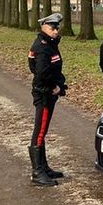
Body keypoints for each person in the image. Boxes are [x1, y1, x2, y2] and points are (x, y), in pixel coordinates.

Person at [28, 12, 67, 187]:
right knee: (40, 131)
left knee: (42, 130)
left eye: (57, 28)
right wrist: (54, 87)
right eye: (52, 27)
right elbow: (41, 73)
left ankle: (43, 167)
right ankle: (37, 172)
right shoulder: (43, 47)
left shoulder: (49, 44)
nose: (55, 31)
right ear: (43, 27)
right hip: (45, 94)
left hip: (47, 92)